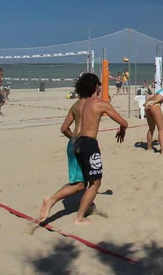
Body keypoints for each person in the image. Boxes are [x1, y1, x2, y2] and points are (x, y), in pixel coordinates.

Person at [38, 73, 127, 225]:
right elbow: (124, 122)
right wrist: (122, 130)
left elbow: (64, 128)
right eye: (98, 85)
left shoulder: (76, 105)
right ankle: (79, 217)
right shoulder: (100, 103)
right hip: (88, 144)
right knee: (95, 183)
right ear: (95, 86)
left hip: (73, 143)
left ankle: (51, 200)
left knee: (79, 184)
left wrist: (75, 139)